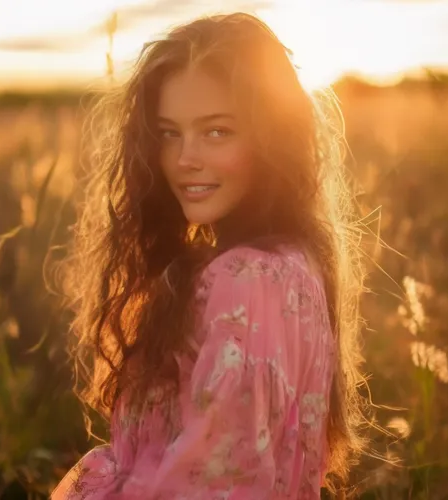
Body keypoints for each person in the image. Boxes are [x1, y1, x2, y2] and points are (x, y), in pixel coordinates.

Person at [51, 11, 366, 500]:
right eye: (169, 133)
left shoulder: (249, 278)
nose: (184, 159)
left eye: (217, 131)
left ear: (271, 139)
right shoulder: (288, 262)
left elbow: (215, 483)